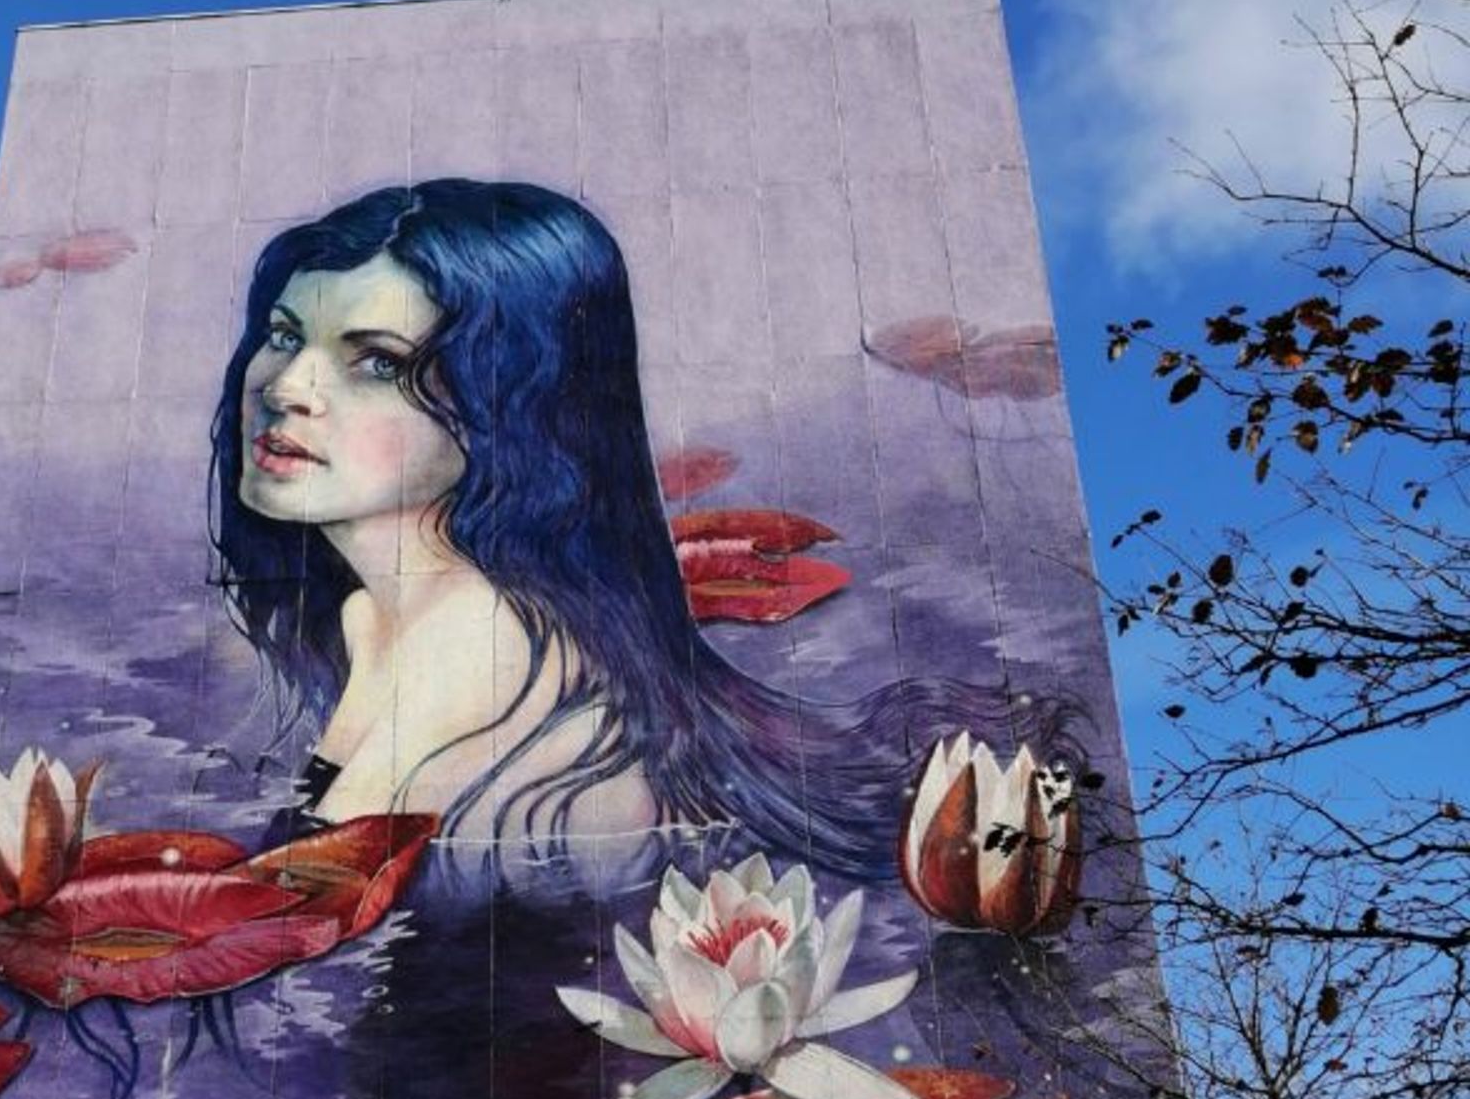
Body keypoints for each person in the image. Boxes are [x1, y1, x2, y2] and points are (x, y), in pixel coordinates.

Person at [209, 177, 1003, 874]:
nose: (287, 386)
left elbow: (300, 912)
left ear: (508, 407)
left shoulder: (480, 633)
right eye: (284, 337)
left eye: (378, 361)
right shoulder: (376, 616)